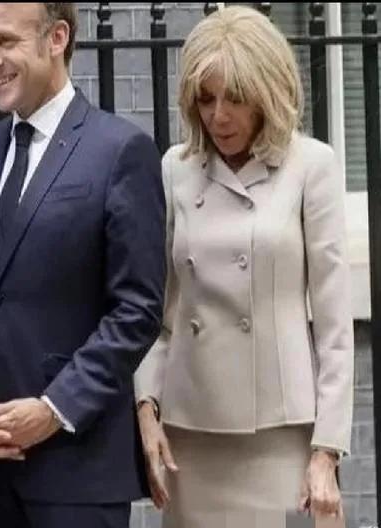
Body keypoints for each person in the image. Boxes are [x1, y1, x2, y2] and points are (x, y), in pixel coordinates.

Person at [0, 3, 165, 527]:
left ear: (57, 38)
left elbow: (137, 310)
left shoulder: (120, 151)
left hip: (77, 471)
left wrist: (53, 409)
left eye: (6, 42)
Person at [134, 5, 354, 527]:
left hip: (282, 434)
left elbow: (334, 328)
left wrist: (327, 451)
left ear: (266, 93)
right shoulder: (175, 169)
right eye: (205, 98)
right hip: (191, 433)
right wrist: (146, 410)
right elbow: (158, 314)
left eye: (234, 97)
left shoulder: (311, 166)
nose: (218, 116)